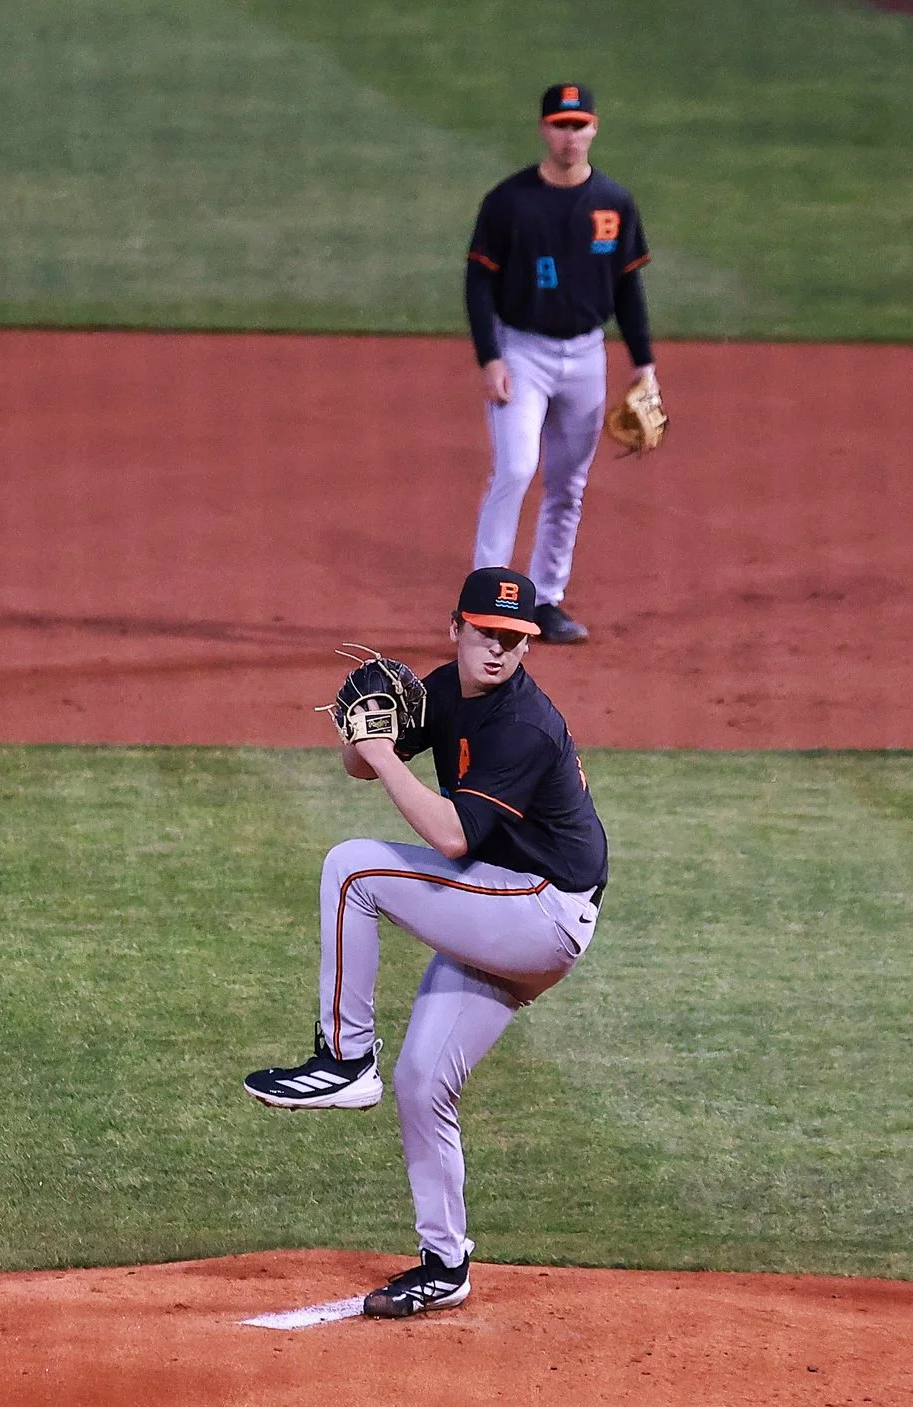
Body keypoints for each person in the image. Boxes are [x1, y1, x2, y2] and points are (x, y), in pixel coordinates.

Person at [245, 567, 608, 1318]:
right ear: (456, 628)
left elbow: (448, 835)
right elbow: (359, 761)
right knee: (422, 1081)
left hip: (541, 913)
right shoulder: (445, 689)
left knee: (353, 868)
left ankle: (344, 1059)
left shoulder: (522, 724)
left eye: (515, 639)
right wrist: (366, 734)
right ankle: (446, 1263)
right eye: (487, 633)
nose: (500, 650)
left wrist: (379, 757)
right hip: (503, 907)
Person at [464, 81, 657, 647]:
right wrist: (490, 356)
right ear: (543, 129)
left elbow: (628, 288)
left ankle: (546, 600)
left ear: (594, 128)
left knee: (568, 484)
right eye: (559, 125)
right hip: (522, 351)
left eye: (579, 125)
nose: (569, 136)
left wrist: (644, 364)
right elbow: (479, 280)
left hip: (586, 356)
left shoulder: (615, 203)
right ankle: (482, 605)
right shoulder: (509, 201)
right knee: (517, 469)